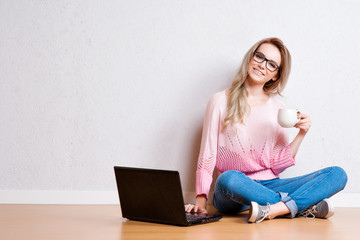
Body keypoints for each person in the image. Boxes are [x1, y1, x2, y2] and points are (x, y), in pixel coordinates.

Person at [184, 37, 348, 223]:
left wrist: (301, 134)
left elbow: (276, 165)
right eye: (260, 57)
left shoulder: (278, 108)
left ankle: (274, 209)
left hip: (270, 186)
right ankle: (297, 208)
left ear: (276, 75)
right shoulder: (219, 101)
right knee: (228, 178)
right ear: (250, 58)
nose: (262, 65)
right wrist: (201, 203)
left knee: (337, 174)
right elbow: (207, 156)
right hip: (233, 190)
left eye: (271, 64)